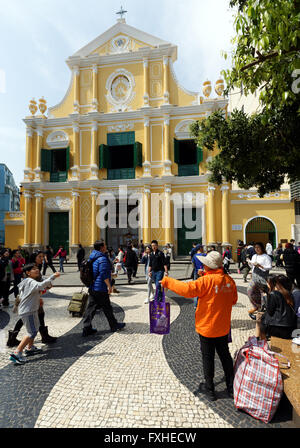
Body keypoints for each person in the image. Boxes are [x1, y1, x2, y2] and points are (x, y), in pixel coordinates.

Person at [161, 251, 238, 401]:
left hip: (207, 327)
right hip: (222, 326)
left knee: (208, 358)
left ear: (208, 266)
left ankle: (210, 390)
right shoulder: (229, 281)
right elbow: (234, 299)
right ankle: (231, 387)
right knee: (225, 356)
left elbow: (187, 290)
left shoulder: (205, 281)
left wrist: (167, 281)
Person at [9, 264, 60, 365]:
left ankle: (30, 348)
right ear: (28, 273)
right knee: (31, 332)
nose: (37, 270)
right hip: (28, 311)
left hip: (30, 310)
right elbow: (40, 286)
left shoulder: (28, 281)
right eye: (33, 269)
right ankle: (17, 353)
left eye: (37, 268)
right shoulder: (30, 281)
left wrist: (39, 297)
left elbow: (34, 292)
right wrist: (53, 276)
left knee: (35, 328)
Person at [7, 250, 58, 347]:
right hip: (29, 297)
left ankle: (14, 337)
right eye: (40, 257)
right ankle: (41, 337)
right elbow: (36, 284)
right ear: (34, 257)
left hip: (34, 296)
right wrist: (50, 281)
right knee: (31, 315)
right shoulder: (33, 268)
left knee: (36, 315)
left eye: (43, 257)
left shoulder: (36, 267)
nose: (42, 259)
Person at [82, 241, 125, 337]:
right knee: (107, 308)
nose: (106, 247)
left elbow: (98, 271)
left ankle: (86, 328)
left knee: (91, 308)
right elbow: (103, 274)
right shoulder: (102, 258)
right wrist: (109, 286)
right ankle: (114, 325)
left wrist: (111, 275)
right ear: (101, 247)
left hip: (93, 287)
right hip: (100, 287)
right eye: (105, 245)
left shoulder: (93, 256)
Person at [257, 275, 297, 340]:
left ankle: (261, 342)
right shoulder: (289, 294)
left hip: (276, 327)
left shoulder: (274, 294)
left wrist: (265, 297)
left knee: (261, 319)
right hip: (290, 326)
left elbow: (270, 311)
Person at [247, 242, 272, 319]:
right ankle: (256, 306)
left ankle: (263, 310)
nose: (257, 249)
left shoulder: (266, 257)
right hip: (254, 277)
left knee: (263, 295)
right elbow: (252, 265)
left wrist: (260, 266)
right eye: (255, 248)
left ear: (262, 248)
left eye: (258, 247)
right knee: (250, 292)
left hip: (262, 278)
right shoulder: (254, 256)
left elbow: (269, 267)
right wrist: (250, 262)